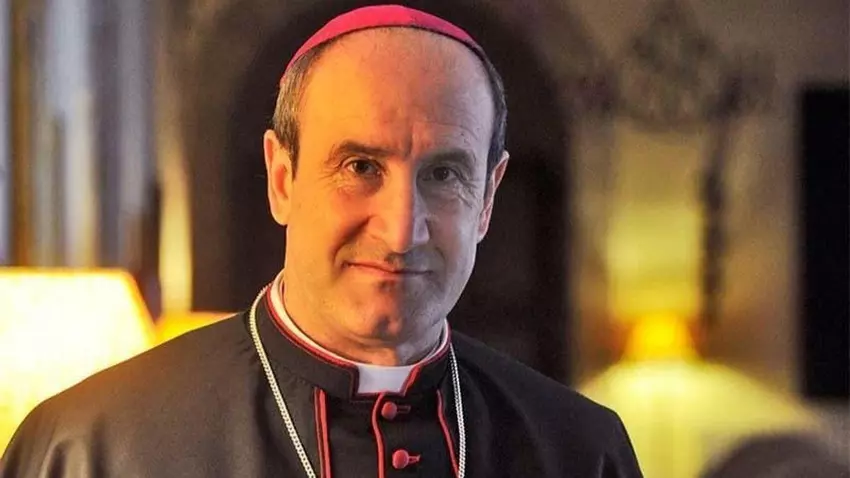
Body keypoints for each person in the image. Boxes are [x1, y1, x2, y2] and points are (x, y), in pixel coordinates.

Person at [1, 5, 642, 477]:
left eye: (444, 175)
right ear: (282, 179)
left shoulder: (582, 452)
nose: (401, 231)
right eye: (361, 167)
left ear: (488, 199)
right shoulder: (87, 447)